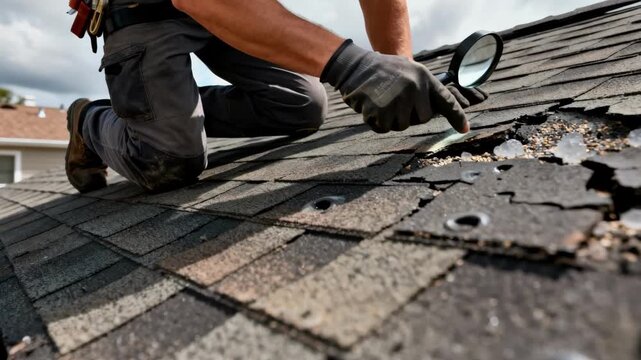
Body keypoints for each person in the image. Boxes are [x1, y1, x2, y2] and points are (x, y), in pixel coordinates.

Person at [66, 0, 488, 193]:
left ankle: (167, 112)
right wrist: (353, 67)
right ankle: (88, 119)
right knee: (171, 161)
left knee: (302, 105)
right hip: (144, 12)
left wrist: (401, 74)